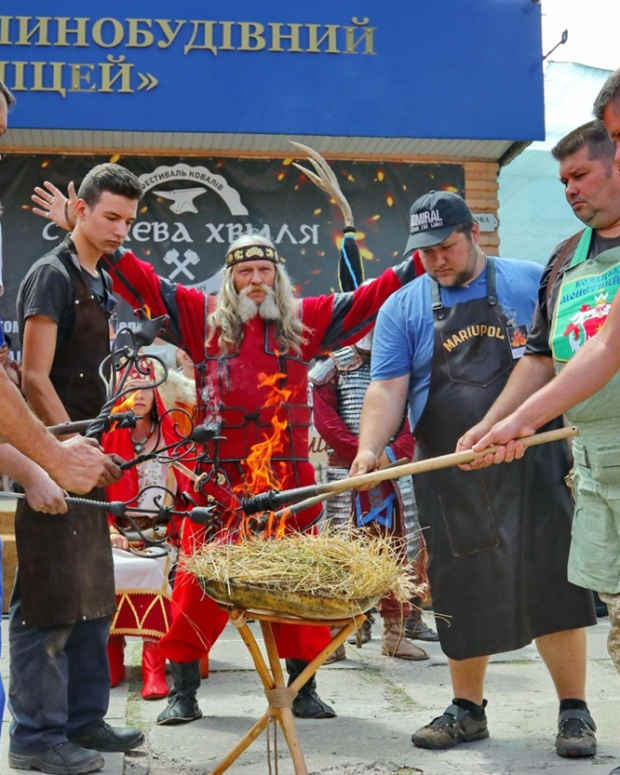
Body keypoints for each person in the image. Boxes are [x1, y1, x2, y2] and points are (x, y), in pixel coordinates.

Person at [32, 173, 423, 723]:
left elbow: (368, 298)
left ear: (277, 279)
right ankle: (183, 689)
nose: (256, 280)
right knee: (195, 590)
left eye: (265, 271)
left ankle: (304, 688)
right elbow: (142, 278)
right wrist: (81, 228)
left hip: (288, 490)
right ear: (232, 281)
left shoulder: (304, 323)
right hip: (219, 488)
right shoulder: (200, 319)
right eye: (245, 272)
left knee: (299, 590)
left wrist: (419, 263)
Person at [349, 190, 597, 758]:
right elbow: (387, 386)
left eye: (446, 247)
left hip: (535, 456)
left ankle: (574, 712)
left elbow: (565, 360)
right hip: (449, 464)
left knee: (554, 580)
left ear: (474, 234)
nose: (435, 260)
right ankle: (466, 709)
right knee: (463, 586)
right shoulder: (404, 306)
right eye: (424, 252)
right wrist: (370, 449)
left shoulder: (532, 281)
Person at [461, 118, 620, 762]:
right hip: (597, 464)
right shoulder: (565, 258)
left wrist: (524, 424)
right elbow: (539, 359)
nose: (570, 190)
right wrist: (492, 421)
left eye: (580, 174)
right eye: (562, 180)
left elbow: (608, 350)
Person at [9, 163, 145, 775]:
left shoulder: (103, 278)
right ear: (81, 210)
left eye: (129, 221)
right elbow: (34, 379)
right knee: (48, 599)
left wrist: (98, 442)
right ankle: (37, 738)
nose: (120, 230)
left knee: (92, 592)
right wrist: (65, 452)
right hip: (52, 458)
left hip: (84, 459)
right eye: (110, 217)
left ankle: (85, 719)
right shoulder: (51, 276)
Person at [310, 330, 436, 661]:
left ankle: (395, 635)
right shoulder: (333, 368)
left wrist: (388, 457)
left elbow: (415, 421)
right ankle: (338, 634)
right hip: (348, 474)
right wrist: (360, 457)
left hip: (392, 475)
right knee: (342, 552)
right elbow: (326, 421)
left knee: (397, 552)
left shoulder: (404, 365)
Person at [102, 364, 195, 701]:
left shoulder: (173, 437)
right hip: (117, 537)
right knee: (107, 570)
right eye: (130, 387)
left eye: (145, 387)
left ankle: (153, 667)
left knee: (155, 567)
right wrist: (109, 531)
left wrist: (178, 529)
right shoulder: (107, 438)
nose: (138, 395)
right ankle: (111, 658)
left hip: (162, 537)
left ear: (157, 393)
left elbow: (189, 491)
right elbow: (94, 496)